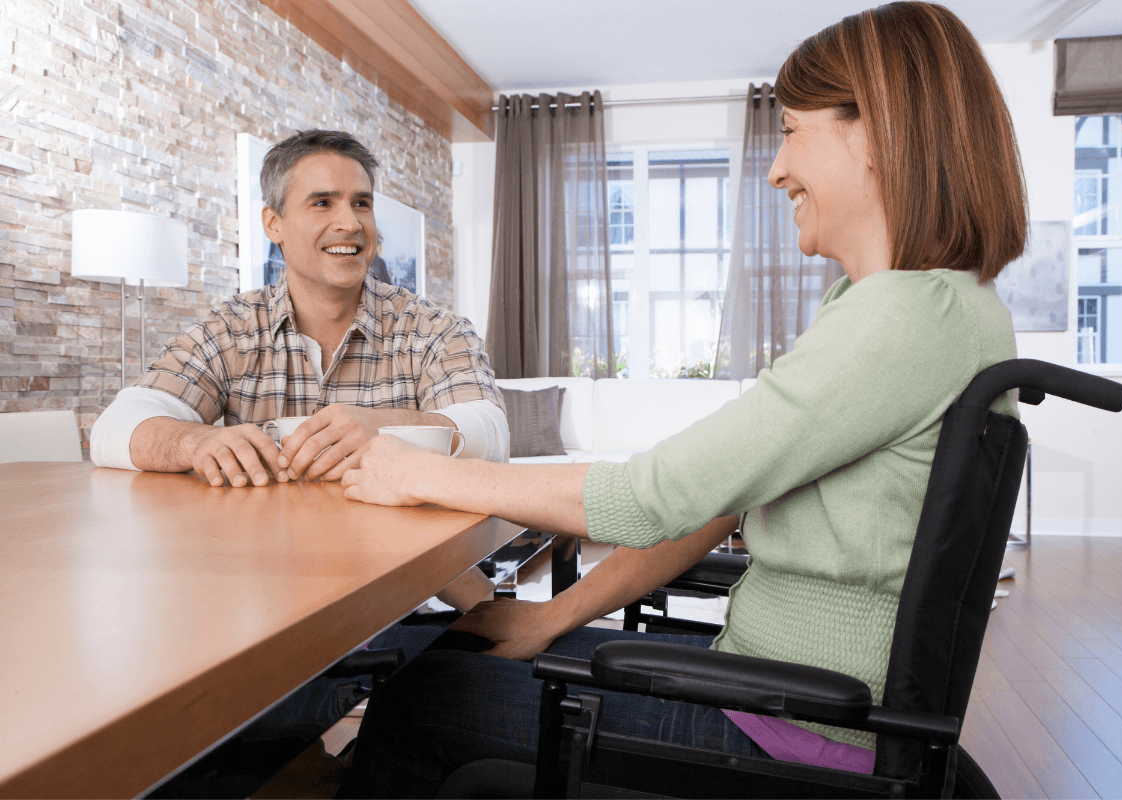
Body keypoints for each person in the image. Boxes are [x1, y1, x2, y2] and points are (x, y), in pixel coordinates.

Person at [337, 3, 1027, 796]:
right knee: (467, 649)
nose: (775, 169)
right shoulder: (935, 308)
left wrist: (416, 471)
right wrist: (552, 616)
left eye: (793, 130)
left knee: (421, 697)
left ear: (873, 134)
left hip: (794, 724)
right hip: (788, 693)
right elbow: (715, 501)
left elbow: (652, 497)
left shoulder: (906, 314)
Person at [90, 129, 509, 485]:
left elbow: (491, 435)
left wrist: (385, 427)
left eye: (361, 203)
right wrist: (196, 441)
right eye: (323, 203)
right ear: (274, 224)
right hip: (269, 564)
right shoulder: (232, 331)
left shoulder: (434, 329)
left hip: (407, 560)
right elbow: (113, 428)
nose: (350, 223)